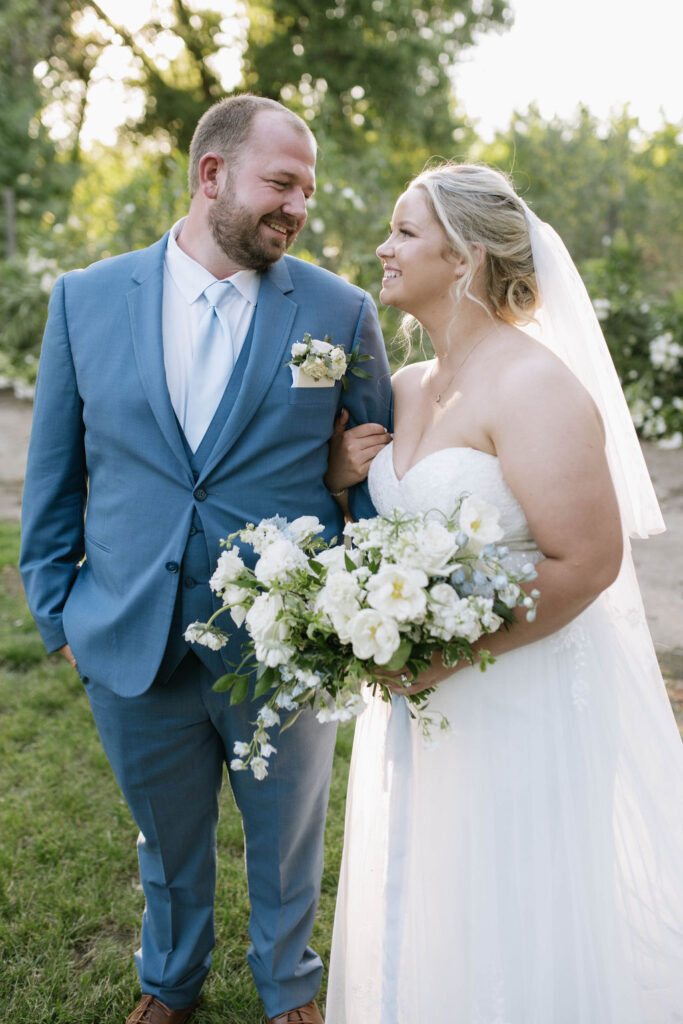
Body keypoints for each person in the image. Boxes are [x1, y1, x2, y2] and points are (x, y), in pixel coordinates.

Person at [20, 94, 391, 1024]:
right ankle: (169, 985)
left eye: (307, 189)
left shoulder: (338, 312)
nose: (299, 206)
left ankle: (289, 991)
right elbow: (53, 479)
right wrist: (60, 616)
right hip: (128, 633)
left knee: (288, 836)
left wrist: (353, 603)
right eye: (281, 182)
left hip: (284, 639)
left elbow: (377, 472)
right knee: (166, 837)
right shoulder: (86, 298)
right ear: (211, 175)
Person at [323, 163, 683, 1023]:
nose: (383, 246)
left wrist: (445, 654)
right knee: (430, 883)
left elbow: (584, 562)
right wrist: (342, 482)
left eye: (405, 231)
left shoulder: (536, 387)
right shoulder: (406, 387)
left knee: (513, 894)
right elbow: (388, 537)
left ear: (466, 258)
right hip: (419, 704)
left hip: (514, 697)